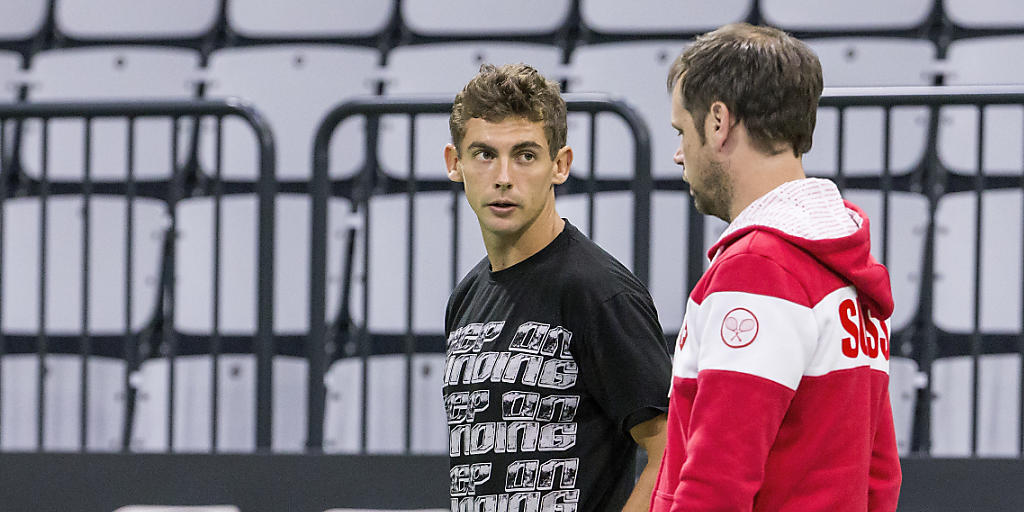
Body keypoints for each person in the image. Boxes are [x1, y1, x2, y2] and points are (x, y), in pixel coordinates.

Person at [651, 23, 902, 511]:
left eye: (683, 130)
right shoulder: (848, 265)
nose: (679, 154)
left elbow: (716, 483)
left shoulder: (756, 269)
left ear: (719, 121)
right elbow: (880, 476)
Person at [442, 63, 672, 511]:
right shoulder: (465, 298)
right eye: (485, 154)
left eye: (525, 155)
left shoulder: (600, 291)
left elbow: (670, 450)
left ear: (559, 165)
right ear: (456, 164)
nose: (503, 176)